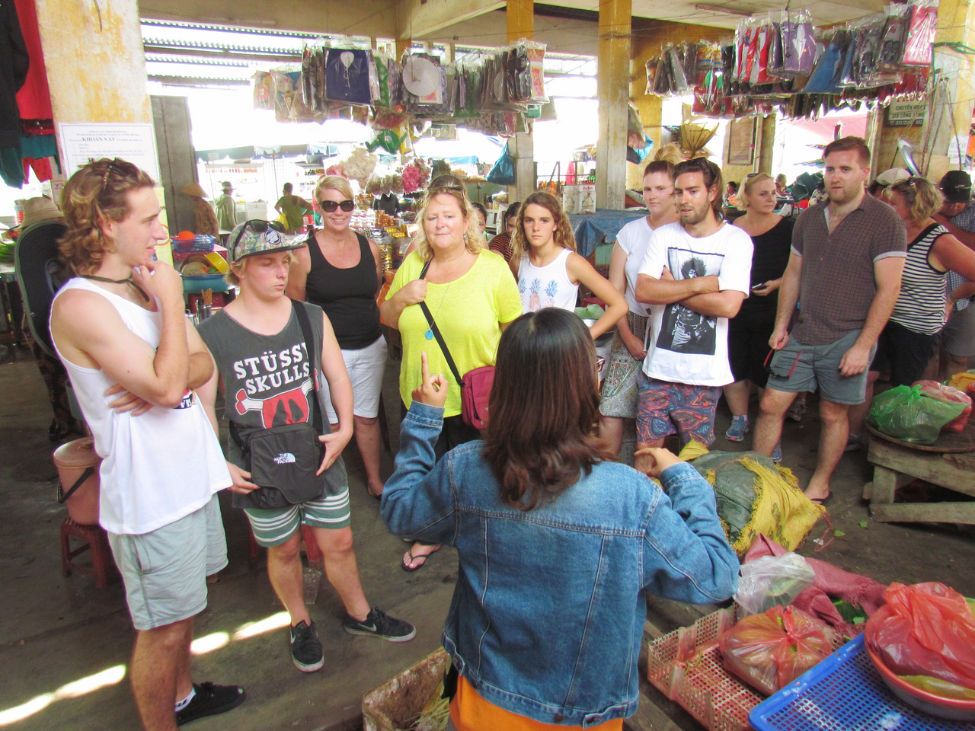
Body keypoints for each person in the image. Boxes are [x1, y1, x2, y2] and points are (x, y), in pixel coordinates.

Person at [381, 308, 739, 730]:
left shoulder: (466, 472)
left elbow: (400, 513)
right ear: (591, 384)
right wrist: (682, 477)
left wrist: (424, 418)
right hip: (584, 714)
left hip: (485, 705)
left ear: (504, 385)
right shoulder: (633, 498)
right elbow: (716, 577)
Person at [49, 158, 245, 730]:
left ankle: (182, 697)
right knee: (160, 629)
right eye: (150, 218)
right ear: (107, 224)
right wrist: (169, 330)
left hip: (189, 478)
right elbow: (166, 383)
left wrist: (169, 363)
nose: (162, 231)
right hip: (151, 496)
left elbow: (203, 366)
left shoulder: (141, 287)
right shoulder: (82, 304)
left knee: (186, 609)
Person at [199, 220, 416, 674]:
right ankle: (299, 621)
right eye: (266, 263)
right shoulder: (214, 333)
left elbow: (337, 376)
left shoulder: (310, 317)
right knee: (282, 549)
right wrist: (215, 460)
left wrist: (340, 431)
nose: (281, 272)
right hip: (256, 462)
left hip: (318, 451)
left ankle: (359, 613)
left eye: (284, 262)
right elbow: (202, 408)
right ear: (238, 270)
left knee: (339, 540)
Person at [752, 137, 906, 504]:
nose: (835, 177)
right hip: (804, 331)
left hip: (849, 335)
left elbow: (890, 289)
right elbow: (793, 274)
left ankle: (820, 483)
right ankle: (756, 477)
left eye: (845, 169)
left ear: (865, 173)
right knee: (771, 403)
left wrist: (863, 346)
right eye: (830, 168)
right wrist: (781, 325)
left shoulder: (885, 221)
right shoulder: (808, 217)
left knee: (833, 413)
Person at [381, 183, 522, 572]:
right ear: (422, 225)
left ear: (467, 222)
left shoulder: (492, 268)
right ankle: (431, 533)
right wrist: (402, 296)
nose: (439, 224)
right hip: (421, 396)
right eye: (431, 217)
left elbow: (514, 331)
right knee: (428, 471)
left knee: (483, 472)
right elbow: (387, 317)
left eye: (448, 216)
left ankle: (486, 535)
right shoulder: (413, 265)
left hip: (475, 397)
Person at [635, 157, 753, 451]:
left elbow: (728, 306)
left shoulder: (736, 241)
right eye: (678, 192)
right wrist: (701, 284)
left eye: (693, 191)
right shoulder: (663, 236)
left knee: (694, 462)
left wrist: (672, 285)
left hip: (704, 376)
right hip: (658, 371)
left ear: (712, 192)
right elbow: (644, 290)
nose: (683, 200)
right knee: (647, 457)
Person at [847, 176, 975, 446]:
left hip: (917, 327)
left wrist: (951, 298)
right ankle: (854, 436)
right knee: (864, 378)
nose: (885, 206)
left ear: (914, 206)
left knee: (904, 389)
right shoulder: (889, 231)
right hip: (882, 319)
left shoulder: (939, 240)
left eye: (892, 203)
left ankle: (896, 445)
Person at [287, 175, 387, 498]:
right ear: (318, 207)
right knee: (330, 422)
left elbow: (374, 291)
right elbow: (295, 307)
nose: (338, 211)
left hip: (371, 345)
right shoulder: (303, 254)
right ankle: (332, 487)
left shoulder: (370, 247)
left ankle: (374, 480)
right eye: (330, 205)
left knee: (366, 417)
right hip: (328, 353)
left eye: (345, 204)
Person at [599, 159, 679, 457]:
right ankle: (607, 477)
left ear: (676, 191)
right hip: (630, 322)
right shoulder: (630, 232)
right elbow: (614, 291)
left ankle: (660, 477)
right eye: (647, 189)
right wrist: (627, 335)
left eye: (661, 188)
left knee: (666, 411)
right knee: (610, 405)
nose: (652, 195)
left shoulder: (685, 233)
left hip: (672, 326)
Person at [723, 173, 794, 443]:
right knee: (734, 365)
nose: (771, 199)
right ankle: (739, 418)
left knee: (766, 372)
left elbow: (800, 269)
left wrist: (777, 284)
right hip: (736, 307)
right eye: (763, 193)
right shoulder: (732, 227)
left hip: (772, 310)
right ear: (747, 197)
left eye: (773, 193)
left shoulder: (788, 228)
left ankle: (769, 431)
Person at [511, 190, 626, 339]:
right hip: (524, 349)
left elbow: (619, 305)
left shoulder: (571, 262)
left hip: (559, 352)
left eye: (544, 220)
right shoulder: (518, 261)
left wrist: (582, 340)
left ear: (555, 224)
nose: (536, 228)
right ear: (522, 224)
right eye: (529, 220)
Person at [934, 170, 975, 379]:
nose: (954, 207)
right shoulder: (927, 208)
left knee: (958, 357)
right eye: (949, 201)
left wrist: (944, 223)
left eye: (960, 202)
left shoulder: (973, 212)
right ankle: (924, 401)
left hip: (964, 299)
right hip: (928, 297)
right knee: (929, 356)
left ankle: (951, 405)